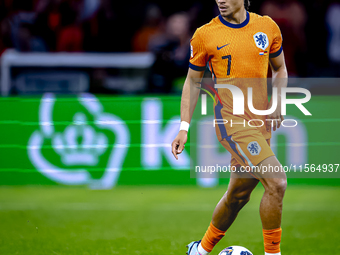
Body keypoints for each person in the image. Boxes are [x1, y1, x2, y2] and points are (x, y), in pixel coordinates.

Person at [171, 0, 288, 255]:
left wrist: (279, 100)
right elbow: (192, 82)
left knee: (237, 196)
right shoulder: (205, 34)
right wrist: (184, 127)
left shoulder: (267, 27)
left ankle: (199, 250)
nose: (220, 0)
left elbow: (280, 69)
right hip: (232, 123)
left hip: (260, 125)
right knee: (277, 182)